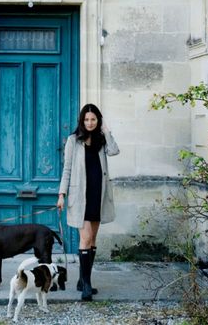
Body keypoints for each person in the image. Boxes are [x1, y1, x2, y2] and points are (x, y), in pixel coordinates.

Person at [56, 103, 119, 301]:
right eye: (86, 120)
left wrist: (107, 131)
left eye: (93, 119)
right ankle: (87, 285)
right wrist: (61, 194)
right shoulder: (73, 141)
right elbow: (67, 169)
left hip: (98, 196)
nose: (90, 123)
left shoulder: (101, 139)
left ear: (98, 120)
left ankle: (83, 280)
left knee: (92, 240)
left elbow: (114, 151)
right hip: (79, 197)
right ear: (82, 121)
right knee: (85, 238)